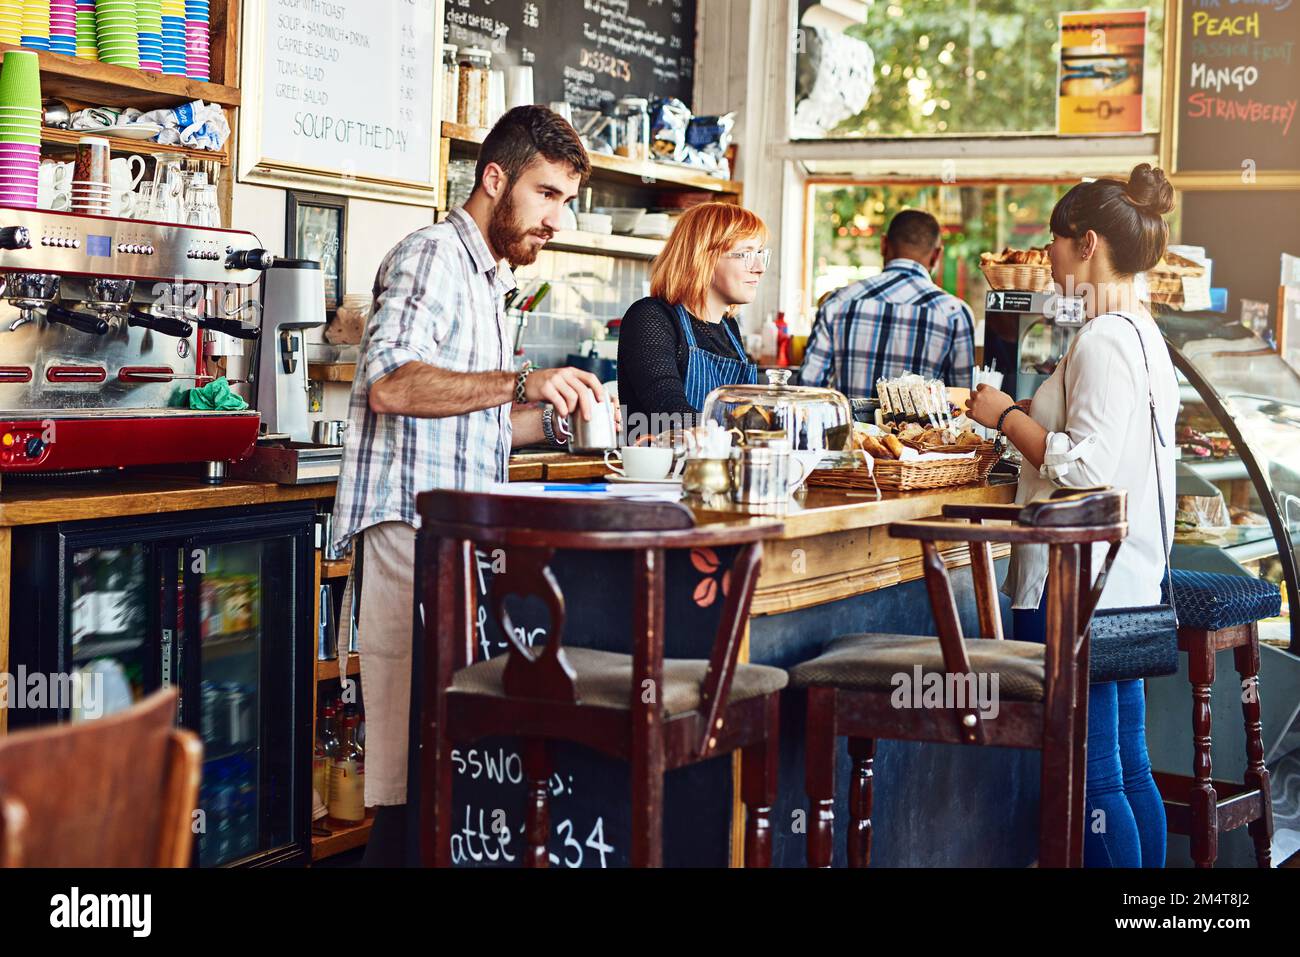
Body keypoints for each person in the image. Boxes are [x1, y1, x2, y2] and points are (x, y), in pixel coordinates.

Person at [330, 106, 607, 866]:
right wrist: (524, 376)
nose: (556, 218)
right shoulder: (431, 256)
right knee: (407, 769)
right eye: (547, 194)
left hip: (451, 544)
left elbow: (474, 419)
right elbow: (390, 383)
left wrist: (553, 417)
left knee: (441, 759)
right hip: (410, 535)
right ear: (494, 177)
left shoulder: (488, 280)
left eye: (565, 201)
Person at [964, 163, 1178, 868]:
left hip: (1077, 589)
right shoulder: (1142, 334)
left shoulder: (1105, 340)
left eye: (1053, 242)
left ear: (1086, 242)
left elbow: (1087, 466)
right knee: (1125, 765)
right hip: (1129, 581)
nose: (1047, 257)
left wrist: (1006, 416)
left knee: (1094, 776)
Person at [616, 202, 765, 432]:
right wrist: (748, 428)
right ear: (703, 256)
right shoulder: (651, 317)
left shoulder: (729, 328)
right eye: (746, 254)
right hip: (662, 467)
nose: (759, 268)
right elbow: (669, 413)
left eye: (760, 254)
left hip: (719, 464)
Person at [798, 209, 974, 394]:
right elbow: (961, 400)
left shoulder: (838, 302)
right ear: (937, 255)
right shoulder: (954, 313)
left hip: (848, 424)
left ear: (883, 244)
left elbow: (808, 389)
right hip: (923, 425)